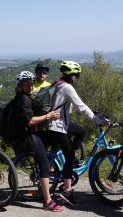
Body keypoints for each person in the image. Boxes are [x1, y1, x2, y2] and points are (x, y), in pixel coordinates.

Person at [43, 61, 108, 206]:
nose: (77, 79)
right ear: (72, 76)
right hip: (57, 126)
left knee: (81, 131)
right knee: (69, 156)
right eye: (77, 76)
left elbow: (73, 106)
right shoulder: (67, 88)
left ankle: (68, 157)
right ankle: (67, 190)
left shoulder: (57, 83)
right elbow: (81, 106)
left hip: (57, 124)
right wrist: (97, 120)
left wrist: (93, 113)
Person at [12, 71, 63, 212]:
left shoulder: (25, 97)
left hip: (32, 133)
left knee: (54, 142)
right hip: (27, 136)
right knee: (44, 164)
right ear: (20, 85)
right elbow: (29, 120)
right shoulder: (23, 99)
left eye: (31, 83)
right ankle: (47, 201)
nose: (30, 86)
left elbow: (39, 102)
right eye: (26, 84)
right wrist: (48, 116)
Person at [33, 63, 87, 165]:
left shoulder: (51, 84)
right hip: (49, 121)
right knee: (77, 135)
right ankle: (67, 161)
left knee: (57, 147)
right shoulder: (34, 86)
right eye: (40, 72)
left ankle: (53, 166)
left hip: (53, 120)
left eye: (44, 72)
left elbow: (59, 102)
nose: (42, 74)